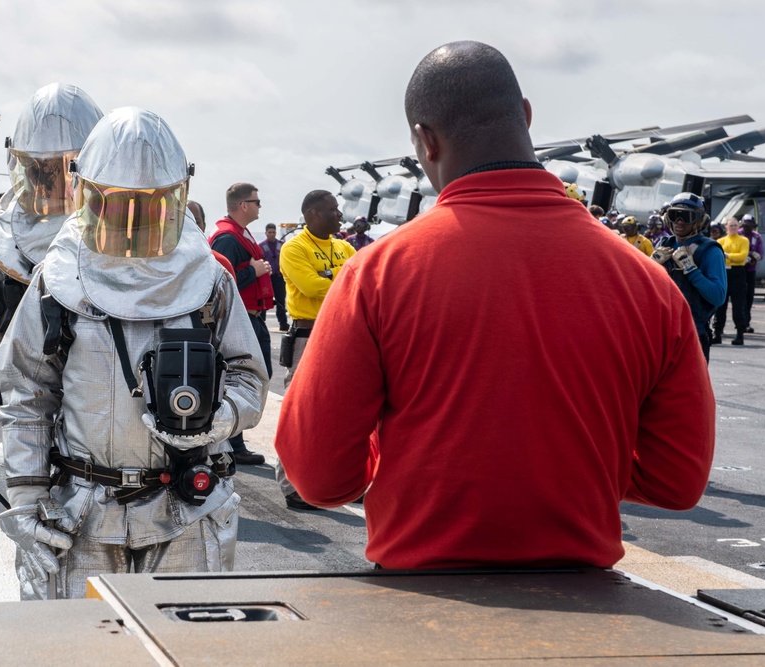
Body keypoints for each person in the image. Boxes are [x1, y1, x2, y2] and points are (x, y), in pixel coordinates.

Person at [275, 41, 715, 571]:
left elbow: (317, 475)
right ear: (526, 117)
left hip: (422, 599)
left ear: (424, 140)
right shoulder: (649, 282)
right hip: (591, 605)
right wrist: (570, 468)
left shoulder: (377, 272)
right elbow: (678, 479)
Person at [0, 107, 268, 597]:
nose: (134, 224)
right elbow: (26, 392)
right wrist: (25, 497)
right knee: (75, 654)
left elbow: (250, 377)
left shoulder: (210, 281)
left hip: (187, 509)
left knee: (184, 652)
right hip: (80, 516)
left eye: (150, 208)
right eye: (119, 207)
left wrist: (218, 419)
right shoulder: (58, 282)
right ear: (89, 196)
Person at [0, 84, 103, 599]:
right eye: (40, 172)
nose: (53, 187)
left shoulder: (139, 235)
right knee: (48, 603)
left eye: (65, 171)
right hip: (35, 446)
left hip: (127, 452)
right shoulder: (2, 246)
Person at [275, 190, 355, 510]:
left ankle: (338, 480)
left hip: (344, 332)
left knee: (343, 412)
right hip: (308, 336)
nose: (340, 215)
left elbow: (363, 277)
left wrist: (330, 276)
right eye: (333, 210)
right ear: (313, 215)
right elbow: (310, 286)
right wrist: (343, 277)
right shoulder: (295, 247)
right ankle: (292, 486)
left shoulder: (344, 246)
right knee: (300, 411)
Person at [209, 183, 273, 465]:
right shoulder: (227, 238)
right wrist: (253, 271)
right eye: (257, 202)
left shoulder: (240, 235)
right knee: (238, 378)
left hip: (254, 316)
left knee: (258, 375)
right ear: (243, 205)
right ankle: (233, 442)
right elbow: (223, 282)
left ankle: (235, 440)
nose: (260, 206)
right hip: (242, 317)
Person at [651, 193, 727, 359]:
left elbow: (718, 296)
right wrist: (651, 267)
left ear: (699, 220)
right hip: (661, 332)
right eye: (674, 215)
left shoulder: (710, 251)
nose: (679, 222)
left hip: (692, 332)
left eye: (686, 217)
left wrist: (691, 269)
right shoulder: (664, 245)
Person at [712, 217, 750, 345]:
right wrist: (731, 256)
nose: (733, 227)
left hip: (738, 273)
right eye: (731, 225)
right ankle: (717, 333)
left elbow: (742, 257)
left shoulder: (743, 240)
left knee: (738, 304)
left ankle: (740, 334)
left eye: (735, 225)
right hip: (724, 273)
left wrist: (728, 255)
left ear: (738, 227)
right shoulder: (721, 241)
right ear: (726, 227)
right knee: (720, 305)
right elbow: (718, 256)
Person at [260, 222, 289, 331]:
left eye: (273, 232)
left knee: (281, 301)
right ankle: (261, 323)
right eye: (270, 232)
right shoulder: (261, 246)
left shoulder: (282, 245)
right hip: (267, 278)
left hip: (279, 278)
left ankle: (283, 323)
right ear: (266, 233)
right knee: (264, 301)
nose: (272, 234)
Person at [741, 214, 764, 333]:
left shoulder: (756, 237)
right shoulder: (737, 234)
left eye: (750, 226)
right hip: (738, 270)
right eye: (746, 225)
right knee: (739, 297)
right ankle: (740, 322)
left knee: (749, 296)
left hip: (750, 270)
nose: (748, 228)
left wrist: (754, 256)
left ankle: (746, 322)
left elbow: (761, 254)